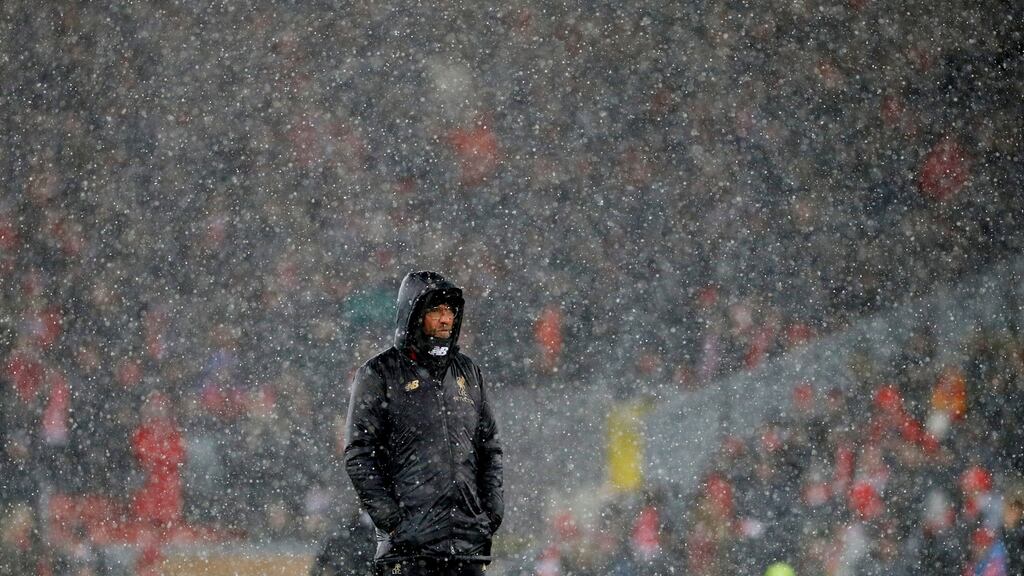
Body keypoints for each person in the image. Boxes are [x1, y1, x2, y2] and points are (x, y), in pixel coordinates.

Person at [343, 271, 503, 576]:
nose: (446, 319)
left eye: (450, 311)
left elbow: (490, 448)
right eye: (435, 311)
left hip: (467, 552)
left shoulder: (469, 373)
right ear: (413, 314)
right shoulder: (379, 373)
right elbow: (359, 455)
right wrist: (395, 523)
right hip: (408, 556)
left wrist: (491, 513)